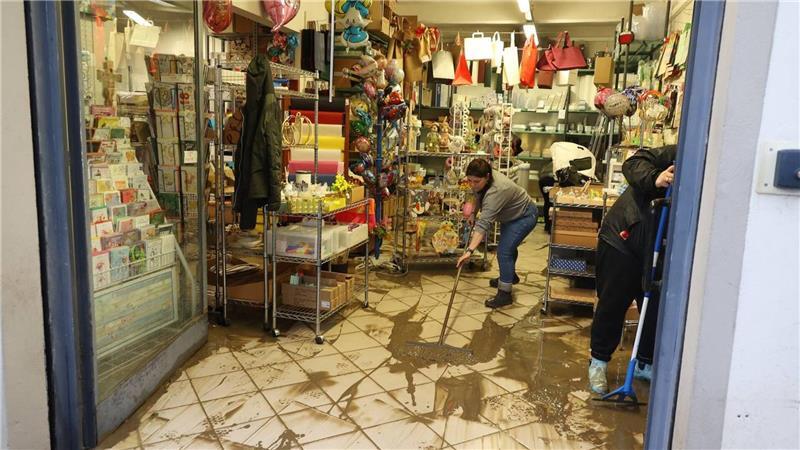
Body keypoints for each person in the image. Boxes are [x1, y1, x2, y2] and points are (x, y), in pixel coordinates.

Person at [588, 145, 677, 394]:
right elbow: (634, 162)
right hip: (623, 237)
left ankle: (644, 363)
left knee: (652, 307)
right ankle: (599, 361)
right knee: (613, 304)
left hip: (659, 248)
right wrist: (655, 178)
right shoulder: (678, 152)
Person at [457, 159, 537, 308]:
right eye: (470, 180)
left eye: (476, 181)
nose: (472, 185)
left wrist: (469, 251)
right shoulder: (484, 180)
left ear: (487, 176)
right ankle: (509, 276)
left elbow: (483, 225)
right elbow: (478, 195)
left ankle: (505, 294)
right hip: (511, 215)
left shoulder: (497, 190)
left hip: (524, 216)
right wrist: (474, 212)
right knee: (508, 248)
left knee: (504, 251)